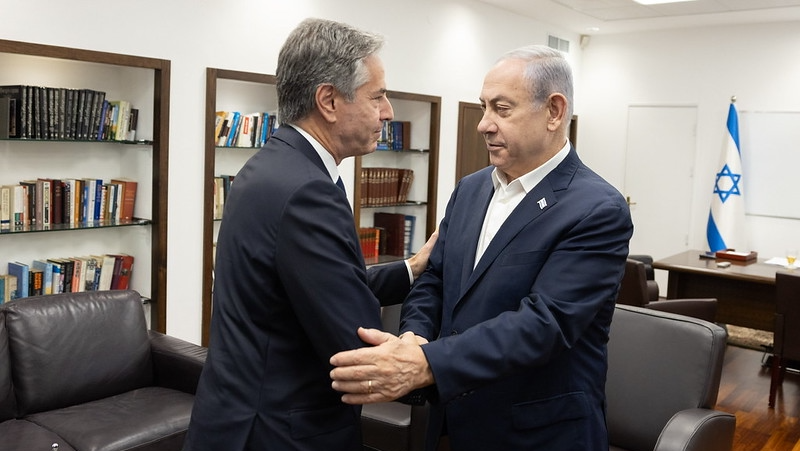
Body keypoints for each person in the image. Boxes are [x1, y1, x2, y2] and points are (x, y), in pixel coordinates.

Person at [330, 45, 634, 451]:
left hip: (537, 432)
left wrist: (428, 363)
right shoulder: (471, 189)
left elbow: (545, 324)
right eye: (483, 107)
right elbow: (434, 277)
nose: (483, 125)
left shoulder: (597, 208)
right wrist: (416, 335)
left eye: (502, 109)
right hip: (452, 423)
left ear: (554, 111)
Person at [183, 18, 436, 451]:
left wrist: (411, 269)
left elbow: (313, 285)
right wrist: (433, 364)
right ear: (329, 100)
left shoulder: (276, 166)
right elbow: (355, 342)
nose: (389, 111)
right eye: (377, 96)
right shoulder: (307, 190)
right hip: (279, 432)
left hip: (239, 420)